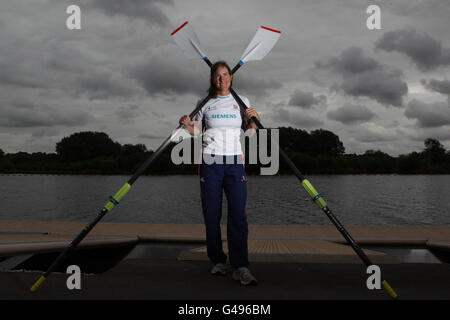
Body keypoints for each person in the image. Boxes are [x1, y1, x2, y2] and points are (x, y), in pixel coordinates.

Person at [179, 61, 260, 285]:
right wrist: (186, 124)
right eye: (217, 76)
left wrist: (255, 121)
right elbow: (196, 131)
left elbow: (250, 134)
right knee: (212, 215)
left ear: (231, 78)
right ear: (212, 79)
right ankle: (217, 260)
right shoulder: (204, 102)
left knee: (238, 216)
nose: (221, 79)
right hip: (210, 162)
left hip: (235, 161)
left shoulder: (242, 101)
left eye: (225, 75)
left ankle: (240, 266)